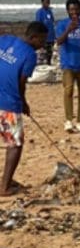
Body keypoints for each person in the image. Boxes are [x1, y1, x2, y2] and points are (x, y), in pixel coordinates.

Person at [0, 22, 48, 196]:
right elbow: (21, 82)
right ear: (33, 37)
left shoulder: (6, 40)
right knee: (15, 144)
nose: (43, 44)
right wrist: (23, 103)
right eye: (42, 40)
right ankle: (4, 187)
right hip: (8, 104)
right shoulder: (30, 55)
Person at [55, 0, 80, 133]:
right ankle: (68, 120)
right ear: (67, 11)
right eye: (71, 9)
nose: (74, 12)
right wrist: (68, 30)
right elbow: (59, 41)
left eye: (76, 9)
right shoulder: (61, 24)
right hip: (68, 64)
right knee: (68, 90)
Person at [34, 0, 55, 65]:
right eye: (46, 2)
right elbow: (38, 25)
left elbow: (52, 21)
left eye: (48, 2)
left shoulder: (50, 11)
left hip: (51, 36)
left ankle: (49, 65)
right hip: (43, 37)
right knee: (43, 54)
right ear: (42, 3)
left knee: (50, 54)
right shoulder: (39, 12)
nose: (47, 4)